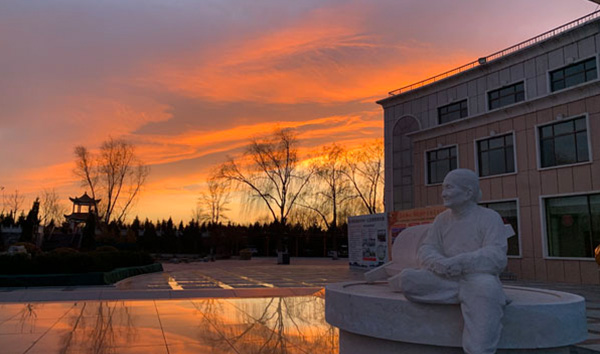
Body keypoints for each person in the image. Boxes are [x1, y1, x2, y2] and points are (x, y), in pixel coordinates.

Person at [389, 169, 508, 354]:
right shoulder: (441, 219)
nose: (443, 193)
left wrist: (460, 262)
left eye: (449, 188)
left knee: (485, 293)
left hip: (476, 279)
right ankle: (464, 294)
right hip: (445, 278)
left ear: (468, 192)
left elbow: (496, 255)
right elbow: (427, 248)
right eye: (443, 188)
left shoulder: (489, 218)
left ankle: (479, 348)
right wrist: (438, 263)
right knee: (408, 279)